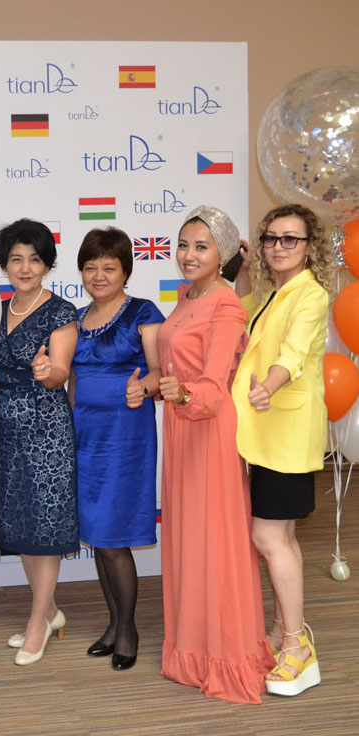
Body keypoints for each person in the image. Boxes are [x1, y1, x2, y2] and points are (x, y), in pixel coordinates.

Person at [157, 205, 275, 704]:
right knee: (189, 540)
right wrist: (157, 386)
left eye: (201, 247)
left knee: (215, 541)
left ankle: (226, 657)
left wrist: (184, 395)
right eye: (183, 245)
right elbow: (173, 363)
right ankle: (193, 653)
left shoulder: (226, 306)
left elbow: (214, 382)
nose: (188, 255)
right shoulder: (187, 297)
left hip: (208, 429)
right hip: (181, 431)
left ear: (223, 253)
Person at [231, 204, 333, 697]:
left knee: (269, 538)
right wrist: (245, 272)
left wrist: (268, 386)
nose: (278, 247)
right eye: (271, 238)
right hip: (267, 433)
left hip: (286, 432)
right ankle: (283, 632)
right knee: (282, 539)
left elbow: (291, 354)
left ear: (310, 247)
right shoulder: (274, 293)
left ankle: (297, 648)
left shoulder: (310, 294)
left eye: (290, 239)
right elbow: (244, 315)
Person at [0, 218, 78, 666]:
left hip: (46, 430)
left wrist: (47, 371)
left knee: (45, 528)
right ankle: (51, 611)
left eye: (35, 259)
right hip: (5, 430)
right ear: (4, 264)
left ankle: (37, 623)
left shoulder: (60, 311)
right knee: (19, 525)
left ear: (48, 265)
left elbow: (59, 372)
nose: (25, 268)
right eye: (16, 259)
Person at [69, 227, 163, 671]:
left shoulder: (143, 311)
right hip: (84, 436)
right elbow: (72, 379)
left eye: (109, 267)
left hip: (125, 437)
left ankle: (127, 629)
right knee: (98, 537)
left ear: (126, 270)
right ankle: (113, 623)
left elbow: (161, 371)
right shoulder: (75, 318)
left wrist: (142, 387)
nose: (99, 276)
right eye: (90, 267)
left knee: (113, 538)